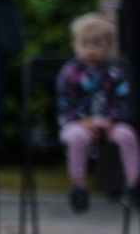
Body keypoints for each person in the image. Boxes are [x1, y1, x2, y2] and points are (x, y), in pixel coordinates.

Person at [55, 13, 138, 213]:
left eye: (97, 44)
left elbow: (122, 100)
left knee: (127, 135)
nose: (91, 50)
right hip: (78, 124)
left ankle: (134, 184)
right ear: (76, 45)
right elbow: (65, 103)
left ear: (109, 46)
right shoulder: (70, 71)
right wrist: (82, 122)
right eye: (85, 44)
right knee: (76, 138)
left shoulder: (116, 70)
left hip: (110, 123)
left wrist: (113, 120)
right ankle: (78, 186)